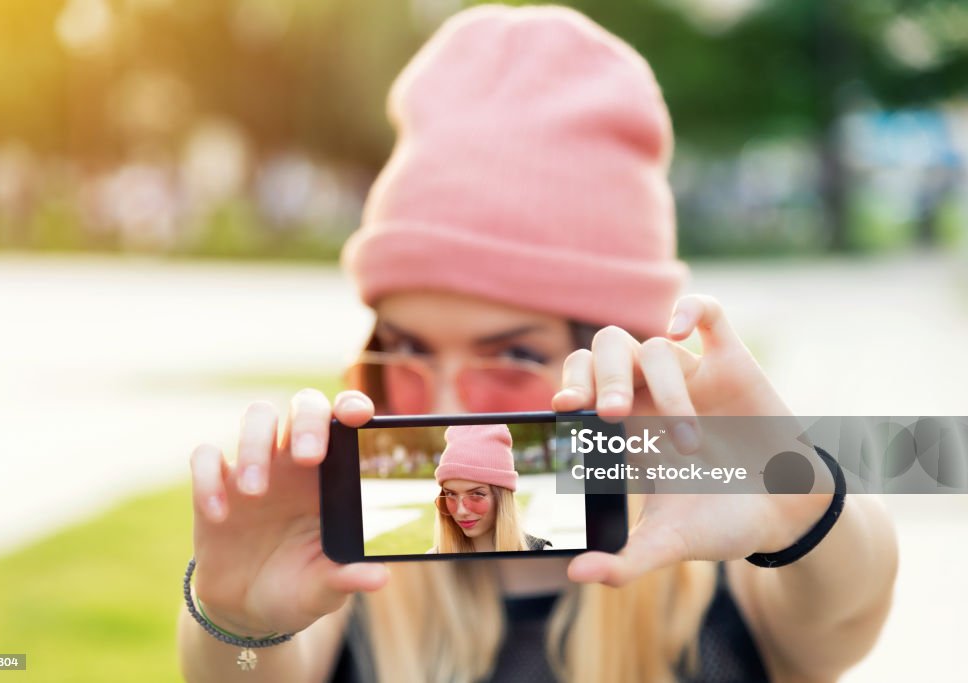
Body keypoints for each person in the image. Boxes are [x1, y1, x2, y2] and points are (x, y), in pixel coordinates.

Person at [178, 5, 898, 682]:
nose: (453, 402)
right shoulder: (347, 584)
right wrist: (237, 624)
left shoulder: (732, 573)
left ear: (625, 354)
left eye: (514, 356)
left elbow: (851, 600)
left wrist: (801, 498)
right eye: (407, 348)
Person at [427, 424, 553, 554]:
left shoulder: (545, 556)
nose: (461, 511)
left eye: (476, 494)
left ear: (502, 496)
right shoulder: (431, 560)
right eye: (450, 494)